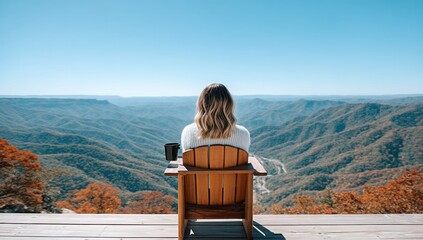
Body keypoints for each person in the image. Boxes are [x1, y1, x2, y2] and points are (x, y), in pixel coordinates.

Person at [181, 83, 250, 152]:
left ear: (201, 104)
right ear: (230, 105)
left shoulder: (188, 132)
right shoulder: (243, 133)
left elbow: (187, 160)